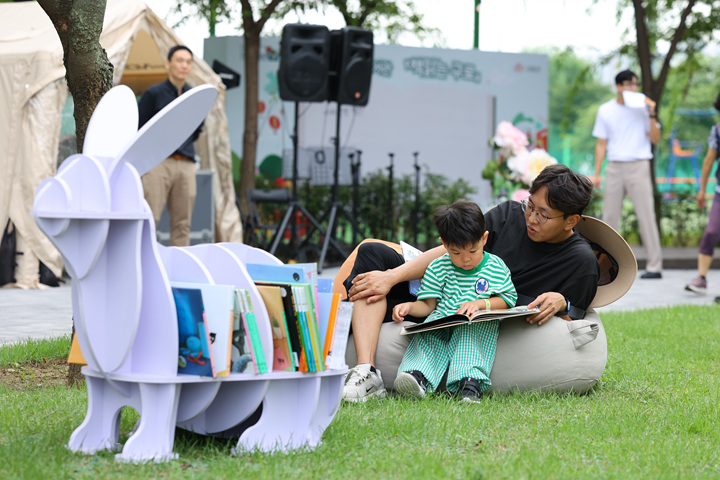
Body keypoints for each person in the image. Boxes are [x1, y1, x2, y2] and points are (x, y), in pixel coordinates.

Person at [341, 164, 599, 402]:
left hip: (464, 319)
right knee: (372, 253)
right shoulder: (510, 215)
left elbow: (575, 314)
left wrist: (562, 302)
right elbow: (454, 247)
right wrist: (392, 276)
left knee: (361, 302)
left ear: (571, 221)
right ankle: (367, 371)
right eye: (530, 206)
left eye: (543, 215)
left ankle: (340, 338)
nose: (531, 218)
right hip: (437, 292)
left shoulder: (580, 261)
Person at [389, 200, 516, 404]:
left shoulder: (495, 266)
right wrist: (409, 307)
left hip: (474, 321)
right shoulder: (437, 267)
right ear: (444, 244)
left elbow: (507, 299)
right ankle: (416, 376)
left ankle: (468, 383)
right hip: (442, 319)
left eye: (472, 251)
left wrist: (480, 304)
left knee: (470, 338)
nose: (465, 259)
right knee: (427, 336)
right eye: (456, 253)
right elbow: (428, 306)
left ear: (484, 239)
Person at [592, 69, 663, 279]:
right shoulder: (606, 110)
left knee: (646, 215)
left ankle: (655, 266)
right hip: (614, 165)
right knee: (609, 218)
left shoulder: (643, 108)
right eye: (629, 84)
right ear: (619, 86)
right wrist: (597, 173)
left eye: (635, 84)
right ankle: (604, 266)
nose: (633, 88)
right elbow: (601, 143)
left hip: (639, 164)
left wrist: (652, 113)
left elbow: (655, 138)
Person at [138, 45, 202, 247]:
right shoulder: (153, 93)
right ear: (168, 64)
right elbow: (139, 128)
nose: (184, 65)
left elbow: (197, 129)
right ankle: (142, 262)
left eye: (188, 62)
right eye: (179, 60)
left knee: (183, 223)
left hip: (186, 164)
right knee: (149, 219)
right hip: (157, 163)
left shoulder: (194, 96)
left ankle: (178, 266)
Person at [684, 91, 720, 297]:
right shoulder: (717, 130)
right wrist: (702, 191)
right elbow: (708, 161)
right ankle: (701, 278)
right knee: (711, 232)